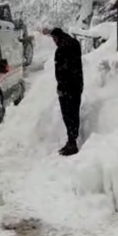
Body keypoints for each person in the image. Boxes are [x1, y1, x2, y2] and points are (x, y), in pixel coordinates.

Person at [43, 27, 84, 156]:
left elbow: (64, 70)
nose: (54, 41)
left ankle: (72, 143)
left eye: (54, 39)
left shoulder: (62, 50)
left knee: (69, 115)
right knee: (73, 114)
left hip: (67, 88)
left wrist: (62, 86)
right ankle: (72, 141)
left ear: (58, 37)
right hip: (76, 86)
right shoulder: (74, 44)